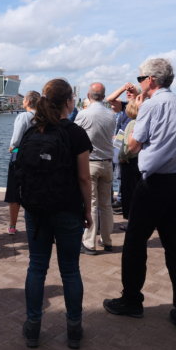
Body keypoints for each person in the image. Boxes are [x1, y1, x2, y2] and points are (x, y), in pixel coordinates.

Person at [103, 58, 176, 339]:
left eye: (141, 77)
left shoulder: (150, 106)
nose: (140, 81)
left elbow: (133, 145)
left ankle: (132, 300)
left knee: (135, 242)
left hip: (153, 183)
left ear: (152, 80)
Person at [21, 79, 93, 350]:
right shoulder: (76, 133)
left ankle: (32, 328)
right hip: (67, 209)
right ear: (68, 102)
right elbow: (84, 179)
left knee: (37, 267)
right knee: (70, 270)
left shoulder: (33, 130)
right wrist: (87, 210)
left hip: (36, 210)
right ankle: (74, 329)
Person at [75, 82, 116, 254]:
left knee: (90, 203)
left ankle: (89, 243)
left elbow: (75, 138)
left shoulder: (83, 114)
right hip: (107, 162)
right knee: (106, 204)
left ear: (88, 95)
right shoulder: (111, 115)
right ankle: (107, 240)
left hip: (90, 163)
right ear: (104, 95)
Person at [5, 91, 41, 235]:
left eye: (24, 99)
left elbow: (16, 140)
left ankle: (12, 226)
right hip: (38, 158)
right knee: (34, 190)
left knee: (15, 192)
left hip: (20, 157)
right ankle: (34, 223)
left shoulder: (23, 117)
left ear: (27, 102)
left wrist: (11, 147)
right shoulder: (43, 117)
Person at [107, 82, 139, 214]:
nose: (128, 93)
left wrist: (136, 92)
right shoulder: (125, 106)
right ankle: (120, 199)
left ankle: (122, 198)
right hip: (120, 140)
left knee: (124, 172)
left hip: (132, 142)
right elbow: (110, 99)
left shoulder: (142, 105)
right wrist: (123, 88)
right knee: (115, 170)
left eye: (131, 92)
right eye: (127, 93)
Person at [116, 96, 142, 224]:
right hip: (140, 162)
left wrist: (121, 157)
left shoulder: (131, 123)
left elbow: (126, 145)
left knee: (129, 193)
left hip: (129, 163)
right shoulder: (142, 122)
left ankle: (130, 221)